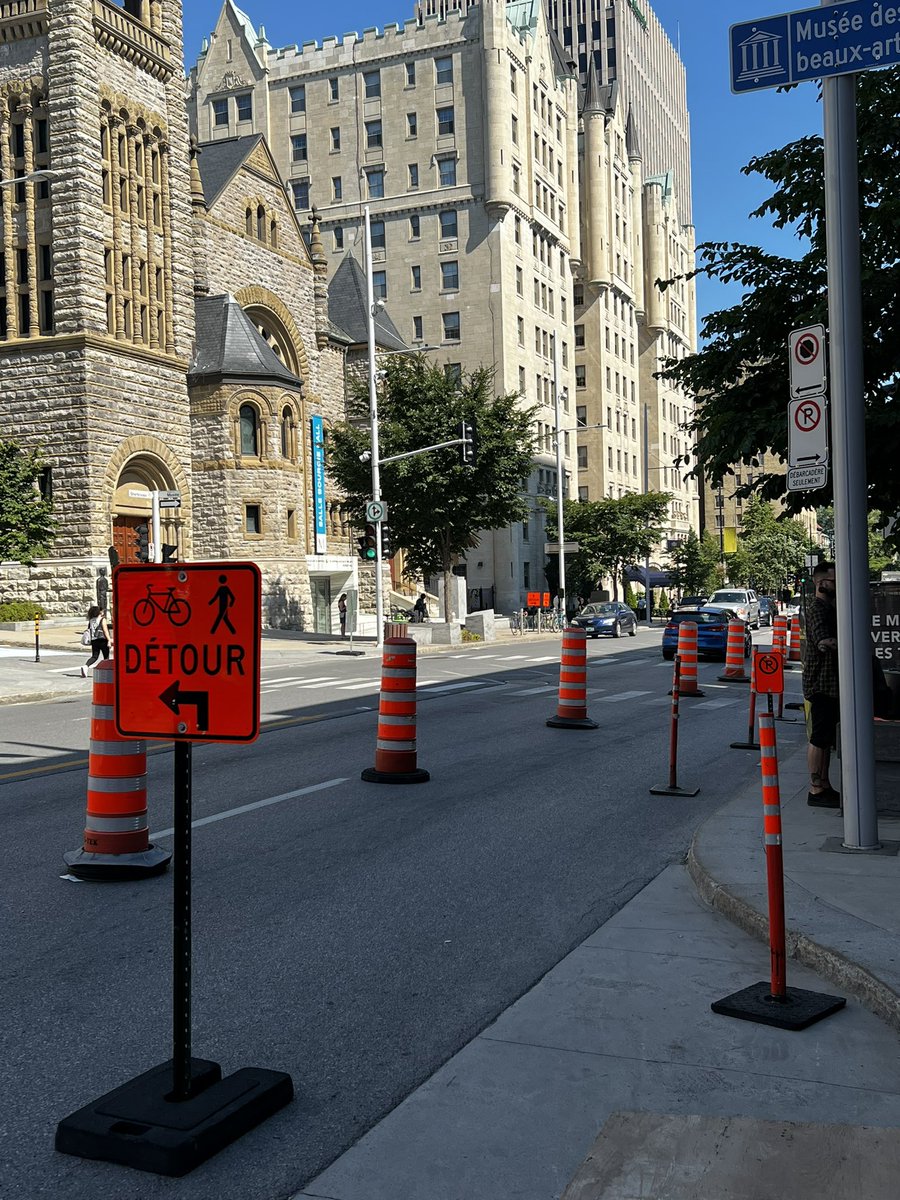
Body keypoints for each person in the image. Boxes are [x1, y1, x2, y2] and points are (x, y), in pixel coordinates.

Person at [802, 561, 840, 808]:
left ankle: (824, 785)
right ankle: (816, 789)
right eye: (835, 582)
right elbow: (822, 640)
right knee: (819, 737)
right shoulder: (818, 609)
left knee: (825, 738)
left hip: (829, 682)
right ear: (821, 583)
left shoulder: (828, 607)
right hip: (821, 683)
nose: (838, 586)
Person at [81, 605, 110, 677]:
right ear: (99, 612)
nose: (103, 612)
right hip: (102, 640)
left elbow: (90, 630)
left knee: (94, 656)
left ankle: (86, 666)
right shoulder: (102, 619)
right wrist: (109, 640)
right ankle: (106, 673)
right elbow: (105, 630)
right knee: (106, 657)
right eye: (102, 611)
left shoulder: (91, 620)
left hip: (94, 640)